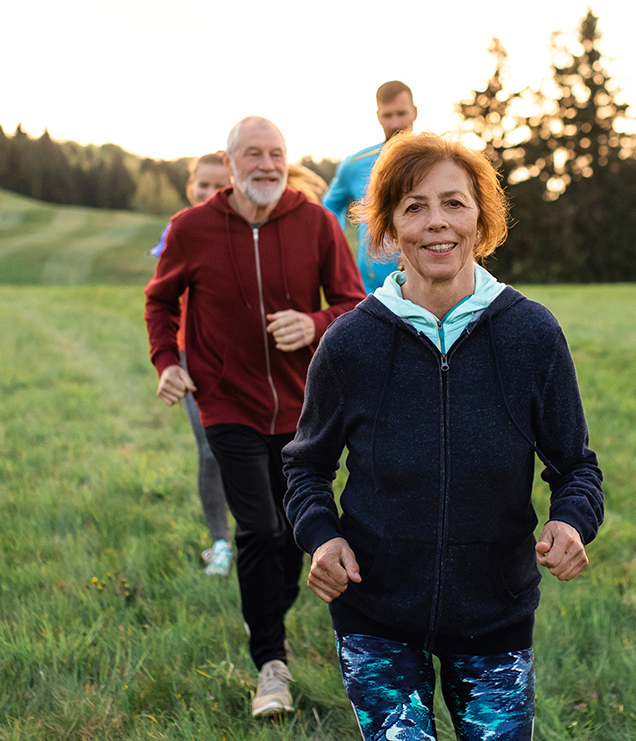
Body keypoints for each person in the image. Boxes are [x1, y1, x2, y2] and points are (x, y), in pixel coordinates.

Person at [283, 131, 604, 739]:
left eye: (454, 203)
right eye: (414, 206)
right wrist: (322, 538)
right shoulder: (350, 343)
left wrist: (571, 520)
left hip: (494, 615)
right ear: (385, 227)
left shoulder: (531, 334)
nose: (437, 224)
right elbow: (305, 466)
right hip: (373, 613)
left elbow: (576, 466)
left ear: (481, 217)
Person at [144, 116, 366, 717]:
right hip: (226, 403)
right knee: (259, 529)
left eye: (276, 153)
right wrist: (167, 360)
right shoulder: (190, 228)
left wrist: (314, 324)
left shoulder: (316, 224)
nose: (266, 164)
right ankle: (272, 663)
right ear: (232, 161)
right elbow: (160, 299)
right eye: (253, 154)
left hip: (303, 409)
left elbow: (352, 302)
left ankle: (265, 618)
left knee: (294, 533)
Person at [150, 153, 235, 576]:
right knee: (209, 450)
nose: (210, 194)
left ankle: (272, 535)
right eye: (203, 184)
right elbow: (162, 296)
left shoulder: (245, 230)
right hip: (192, 356)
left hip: (242, 357)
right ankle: (220, 542)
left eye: (220, 185)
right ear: (190, 186)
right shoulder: (180, 229)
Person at [323, 80, 418, 293]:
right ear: (378, 117)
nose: (395, 123)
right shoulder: (355, 165)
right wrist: (338, 253)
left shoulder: (440, 161)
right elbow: (328, 210)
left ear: (415, 112)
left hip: (431, 285)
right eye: (387, 115)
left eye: (401, 113)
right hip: (372, 291)